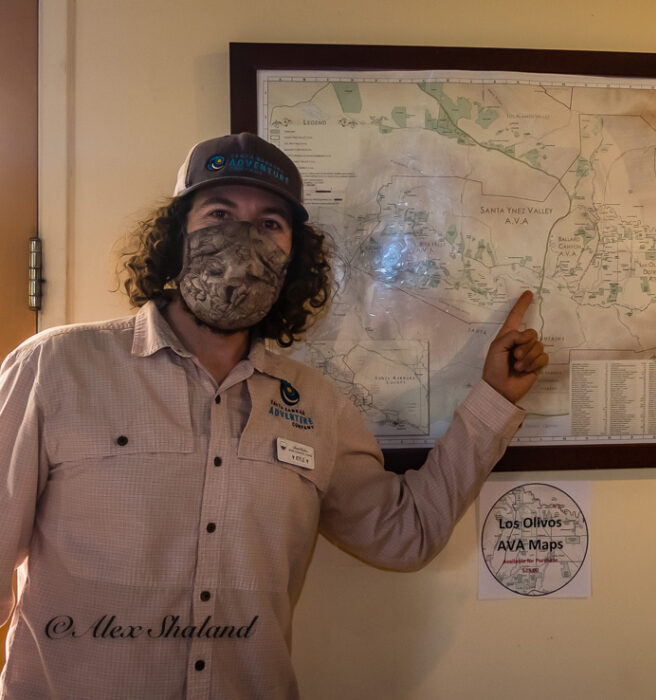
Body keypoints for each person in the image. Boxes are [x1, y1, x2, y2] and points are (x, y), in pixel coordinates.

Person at [0, 133, 548, 698]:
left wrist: (494, 399)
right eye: (219, 212)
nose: (243, 238)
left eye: (270, 223)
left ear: (293, 260)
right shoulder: (54, 368)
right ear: (174, 235)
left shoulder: (317, 405)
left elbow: (403, 536)